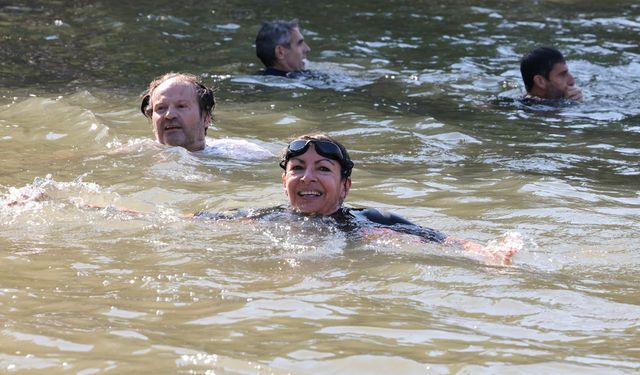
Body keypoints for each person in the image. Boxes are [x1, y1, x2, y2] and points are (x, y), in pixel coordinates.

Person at [196, 133, 520, 265]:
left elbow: (440, 239)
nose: (307, 177)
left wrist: (487, 253)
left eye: (323, 169)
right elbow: (197, 222)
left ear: (345, 187)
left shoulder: (367, 222)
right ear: (284, 182)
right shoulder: (265, 217)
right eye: (297, 168)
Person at [140, 72, 272, 158]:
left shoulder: (244, 153)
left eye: (181, 106)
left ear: (206, 118)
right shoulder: (137, 154)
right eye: (161, 108)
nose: (169, 115)